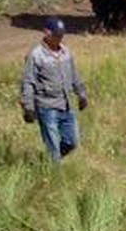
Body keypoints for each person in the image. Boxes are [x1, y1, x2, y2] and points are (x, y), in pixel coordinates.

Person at [21, 18, 89, 161]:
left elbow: (75, 75)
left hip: (66, 105)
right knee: (53, 148)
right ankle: (55, 170)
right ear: (46, 33)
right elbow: (28, 82)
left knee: (72, 142)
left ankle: (51, 160)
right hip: (46, 107)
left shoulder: (66, 53)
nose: (59, 39)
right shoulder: (36, 56)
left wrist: (82, 94)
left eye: (61, 35)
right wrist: (28, 107)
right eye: (56, 35)